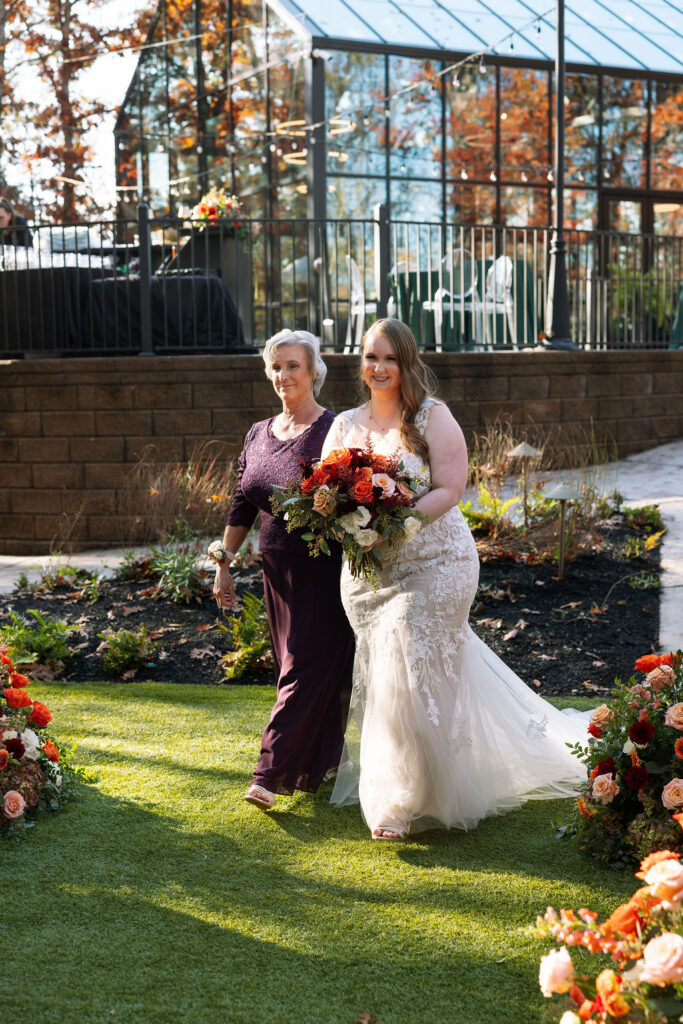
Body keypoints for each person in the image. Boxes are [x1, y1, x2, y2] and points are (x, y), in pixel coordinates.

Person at [320, 318, 588, 840]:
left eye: (391, 359)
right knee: (389, 674)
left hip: (439, 562)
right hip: (370, 571)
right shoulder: (345, 425)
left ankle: (399, 800)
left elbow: (451, 487)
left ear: (407, 363)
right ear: (361, 362)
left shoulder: (431, 415)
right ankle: (416, 782)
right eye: (372, 357)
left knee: (412, 653)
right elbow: (327, 494)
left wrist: (398, 523)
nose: (379, 368)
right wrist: (355, 526)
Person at [212, 329, 354, 810]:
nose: (283, 375)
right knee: (298, 671)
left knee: (302, 668)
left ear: (314, 370)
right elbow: (240, 505)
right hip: (275, 570)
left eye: (293, 365)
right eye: (276, 367)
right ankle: (322, 761)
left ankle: (267, 776)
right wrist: (224, 565)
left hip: (323, 569)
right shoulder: (258, 432)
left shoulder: (335, 430)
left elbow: (352, 497)